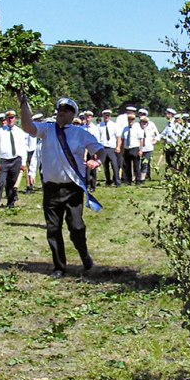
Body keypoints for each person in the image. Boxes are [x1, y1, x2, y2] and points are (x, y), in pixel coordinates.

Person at [21, 95, 106, 278]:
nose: (61, 113)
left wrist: (97, 161)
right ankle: (59, 267)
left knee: (76, 227)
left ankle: (84, 253)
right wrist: (24, 104)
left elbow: (100, 150)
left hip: (72, 188)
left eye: (66, 110)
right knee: (53, 229)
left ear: (73, 114)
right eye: (60, 110)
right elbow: (28, 127)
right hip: (51, 189)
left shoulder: (80, 133)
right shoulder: (47, 129)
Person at [0, 110, 27, 210]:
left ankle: (11, 203)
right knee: (1, 182)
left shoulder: (20, 132)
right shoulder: (0, 131)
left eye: (12, 118)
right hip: (4, 160)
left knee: (12, 183)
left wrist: (23, 162)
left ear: (15, 119)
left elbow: (23, 148)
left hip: (16, 160)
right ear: (6, 119)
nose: (10, 120)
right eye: (9, 118)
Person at [117, 110, 143, 185]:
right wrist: (121, 149)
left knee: (136, 166)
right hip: (126, 149)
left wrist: (141, 150)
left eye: (132, 120)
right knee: (126, 165)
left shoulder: (137, 128)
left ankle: (138, 181)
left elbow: (141, 139)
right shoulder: (125, 129)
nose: (130, 121)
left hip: (135, 148)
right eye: (129, 120)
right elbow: (122, 139)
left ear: (134, 120)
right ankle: (128, 180)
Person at [97, 109, 120, 187]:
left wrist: (118, 146)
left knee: (114, 165)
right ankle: (108, 181)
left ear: (110, 116)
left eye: (108, 115)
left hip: (111, 148)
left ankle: (117, 181)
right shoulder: (99, 126)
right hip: (103, 148)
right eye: (105, 115)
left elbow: (118, 137)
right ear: (103, 116)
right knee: (105, 166)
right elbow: (97, 137)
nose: (106, 117)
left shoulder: (114, 125)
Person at [81, 111, 101, 192]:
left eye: (89, 117)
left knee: (92, 168)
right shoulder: (82, 128)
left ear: (91, 118)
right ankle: (86, 184)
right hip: (84, 150)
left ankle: (93, 185)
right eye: (86, 117)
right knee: (85, 168)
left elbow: (97, 140)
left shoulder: (94, 128)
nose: (87, 119)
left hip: (92, 150)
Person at [137, 110, 160, 183]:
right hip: (138, 147)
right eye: (140, 114)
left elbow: (157, 135)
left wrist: (154, 141)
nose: (141, 115)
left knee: (145, 162)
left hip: (148, 147)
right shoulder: (137, 125)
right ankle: (139, 176)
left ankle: (145, 177)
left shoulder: (151, 124)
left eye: (143, 114)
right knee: (138, 163)